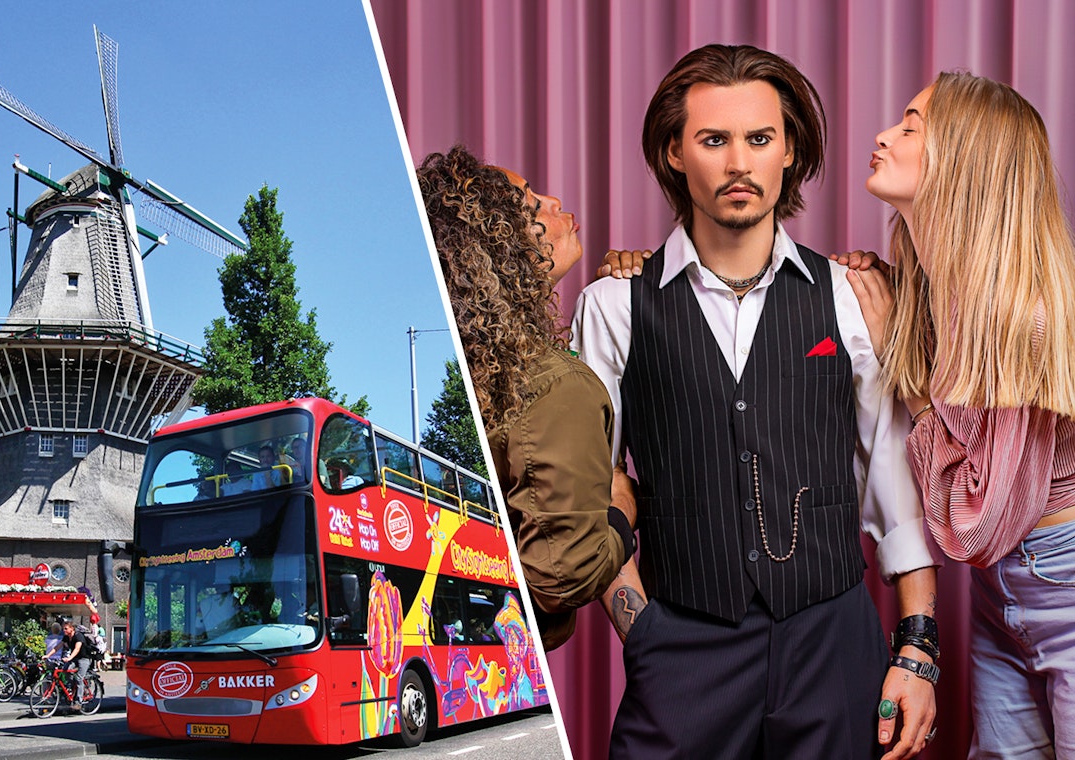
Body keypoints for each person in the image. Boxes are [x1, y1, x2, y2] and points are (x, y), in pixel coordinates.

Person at [572, 44, 942, 759]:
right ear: (676, 153)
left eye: (759, 139)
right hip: (682, 650)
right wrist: (641, 630)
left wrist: (917, 646)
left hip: (833, 645)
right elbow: (592, 488)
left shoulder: (849, 294)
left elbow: (893, 479)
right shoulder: (614, 305)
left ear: (788, 150)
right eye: (714, 140)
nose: (739, 162)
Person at [849, 71, 1075, 759]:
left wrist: (907, 381)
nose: (885, 134)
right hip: (999, 596)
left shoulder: (1026, 320)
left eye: (913, 126)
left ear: (967, 161)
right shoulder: (931, 293)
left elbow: (974, 526)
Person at [417, 145, 638, 650]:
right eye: (532, 203)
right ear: (502, 246)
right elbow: (563, 578)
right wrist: (623, 505)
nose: (556, 202)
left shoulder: (488, 365)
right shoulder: (554, 386)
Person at [59, 621, 94, 708]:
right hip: (75, 658)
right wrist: (48, 655)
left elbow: (77, 649)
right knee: (65, 670)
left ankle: (79, 701)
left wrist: (69, 658)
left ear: (72, 628)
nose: (64, 630)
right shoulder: (67, 637)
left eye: (66, 628)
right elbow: (58, 646)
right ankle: (72, 688)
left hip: (84, 659)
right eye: (63, 628)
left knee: (79, 678)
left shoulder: (78, 636)